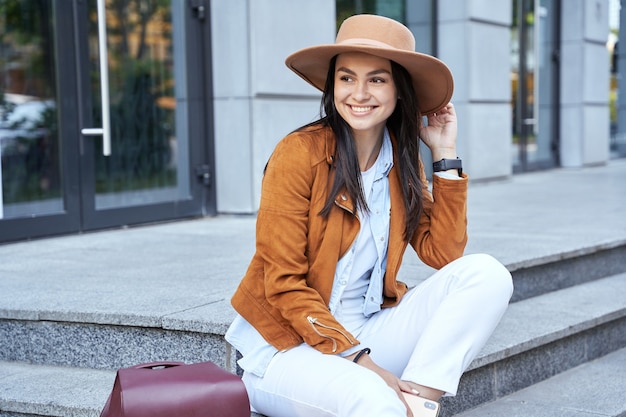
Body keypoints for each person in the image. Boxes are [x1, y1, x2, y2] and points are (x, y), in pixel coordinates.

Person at [225, 14, 513, 417]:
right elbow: (283, 282)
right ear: (333, 85)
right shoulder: (299, 153)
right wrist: (365, 363)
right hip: (287, 347)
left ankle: (418, 402)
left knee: (487, 274)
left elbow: (444, 255)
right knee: (373, 400)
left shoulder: (401, 159)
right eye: (346, 78)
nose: (358, 93)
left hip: (368, 328)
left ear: (399, 90)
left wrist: (444, 154)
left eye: (376, 79)